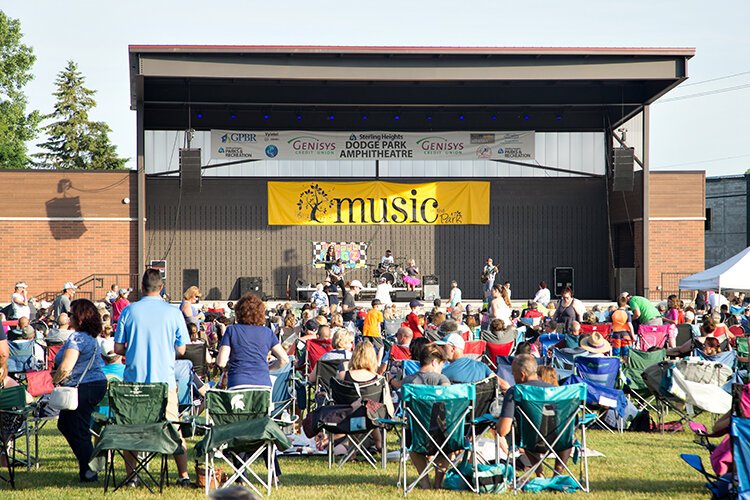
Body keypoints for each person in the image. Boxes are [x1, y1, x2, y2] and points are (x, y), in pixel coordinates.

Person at [113, 269, 191, 487]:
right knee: (174, 427)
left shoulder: (129, 311)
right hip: (164, 382)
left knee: (131, 429)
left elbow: (118, 347)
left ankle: (132, 476)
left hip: (134, 384)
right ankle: (183, 475)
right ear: (162, 287)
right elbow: (182, 349)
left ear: (142, 288)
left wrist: (135, 349)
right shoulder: (173, 312)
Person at [53, 298, 108, 483]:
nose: (68, 317)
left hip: (84, 387)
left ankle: (89, 469)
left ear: (80, 317)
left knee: (78, 428)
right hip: (93, 385)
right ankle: (88, 464)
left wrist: (53, 381)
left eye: (71, 314)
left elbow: (66, 367)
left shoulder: (77, 338)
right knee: (66, 425)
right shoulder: (90, 338)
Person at [496, 355, 572, 475]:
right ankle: (558, 472)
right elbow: (572, 423)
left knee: (526, 432)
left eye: (513, 373)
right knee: (569, 434)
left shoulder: (515, 391)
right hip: (560, 440)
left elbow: (503, 430)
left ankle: (540, 473)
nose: (513, 376)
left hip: (531, 441)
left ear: (522, 374)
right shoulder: (558, 392)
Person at [401, 344, 451, 490]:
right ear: (435, 362)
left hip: (416, 434)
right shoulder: (442, 380)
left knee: (412, 443)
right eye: (442, 364)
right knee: (446, 446)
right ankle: (438, 482)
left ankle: (424, 481)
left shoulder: (408, 381)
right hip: (442, 434)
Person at [216, 293, 289, 388]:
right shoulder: (268, 332)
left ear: (238, 312)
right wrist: (267, 369)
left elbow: (221, 362)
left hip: (238, 382)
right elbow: (284, 359)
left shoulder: (232, 330)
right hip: (263, 384)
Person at [438, 320, 508, 388]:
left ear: (453, 348)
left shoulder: (444, 372)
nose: (441, 349)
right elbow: (504, 385)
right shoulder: (482, 367)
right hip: (481, 399)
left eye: (443, 346)